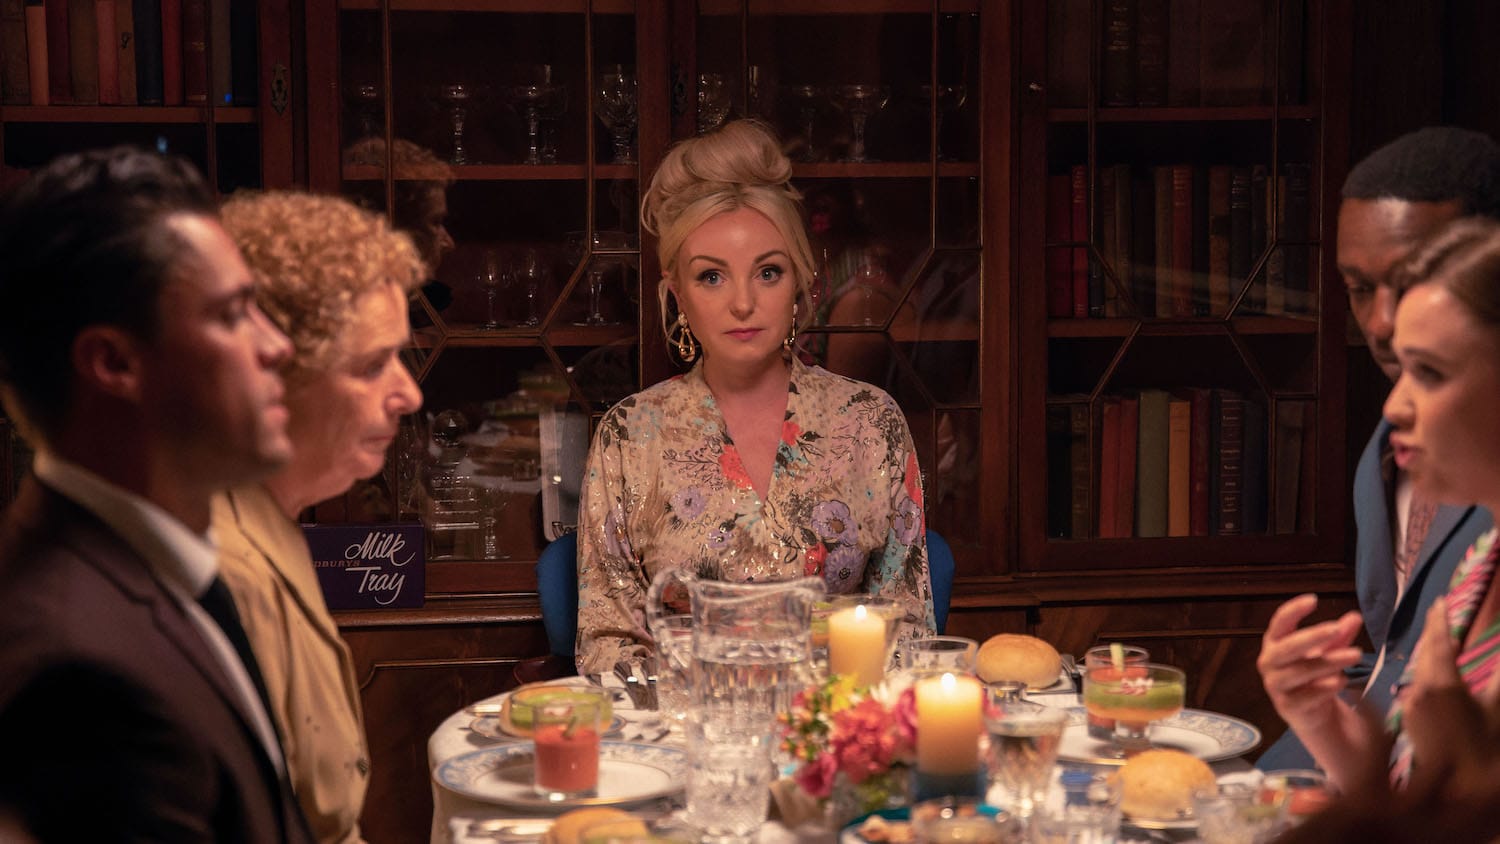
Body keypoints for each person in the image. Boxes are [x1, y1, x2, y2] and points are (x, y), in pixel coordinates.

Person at [0, 147, 312, 841]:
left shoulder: (162, 566)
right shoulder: (78, 672)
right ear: (114, 363)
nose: (278, 346)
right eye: (234, 315)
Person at [575, 120, 935, 675]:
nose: (743, 302)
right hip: (686, 740)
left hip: (830, 732)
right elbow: (609, 646)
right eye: (711, 277)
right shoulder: (628, 435)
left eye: (767, 272)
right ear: (676, 293)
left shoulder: (870, 422)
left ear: (802, 283)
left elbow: (906, 630)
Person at [1256, 126, 1500, 771]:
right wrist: (1269, 782)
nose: (1383, 322)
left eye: (1413, 279)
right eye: (1360, 288)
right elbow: (1392, 667)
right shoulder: (1392, 451)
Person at [217, 191, 425, 844]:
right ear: (268, 379)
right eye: (371, 366)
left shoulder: (273, 520)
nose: (409, 394)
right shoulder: (222, 580)